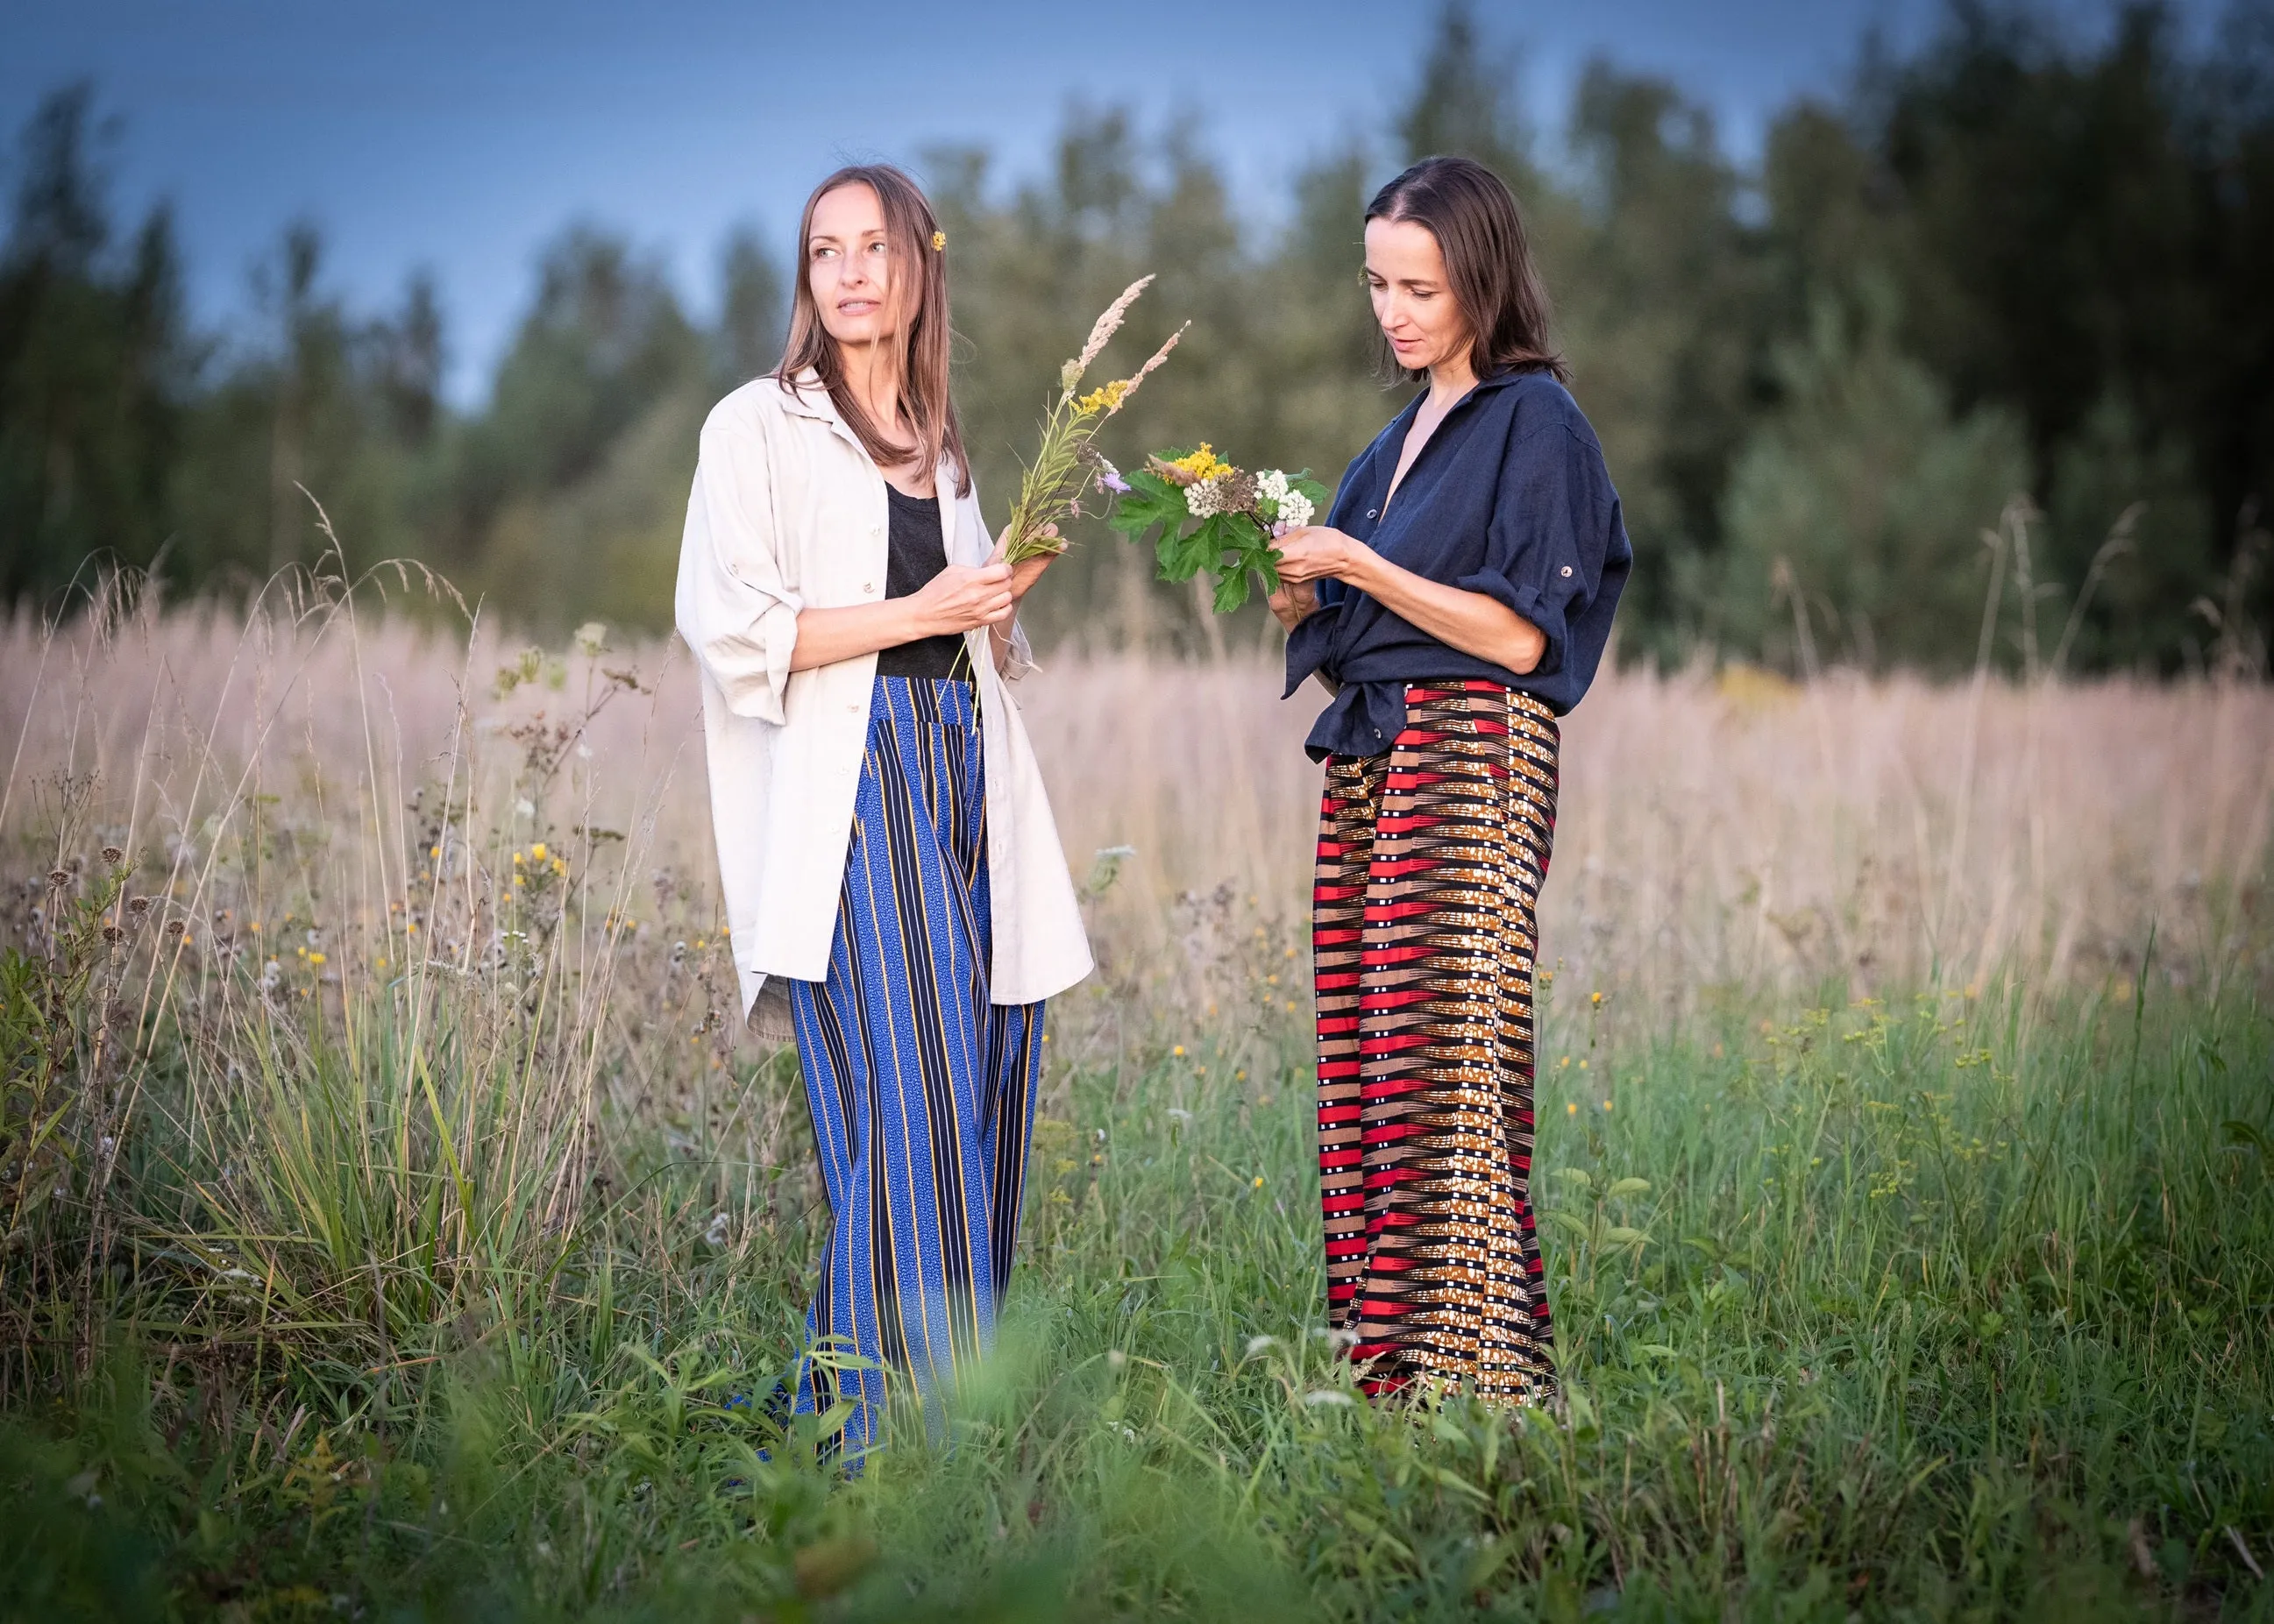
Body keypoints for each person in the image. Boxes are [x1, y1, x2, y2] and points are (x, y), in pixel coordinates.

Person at [675, 163, 1091, 1459]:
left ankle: (844, 1423)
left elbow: (970, 644)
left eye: (873, 247)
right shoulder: (757, 424)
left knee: (987, 1086)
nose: (849, 272)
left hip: (965, 768)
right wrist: (925, 613)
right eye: (823, 251)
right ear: (807, 279)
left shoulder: (942, 441)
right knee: (916, 1104)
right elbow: (730, 626)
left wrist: (999, 600)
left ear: (919, 266)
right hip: (852, 787)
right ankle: (887, 1452)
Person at [1268, 155, 1631, 1406]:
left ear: (1480, 277)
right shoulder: (1388, 447)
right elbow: (1353, 632)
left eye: (1418, 285)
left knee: (1445, 1069)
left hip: (1471, 753)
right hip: (1374, 755)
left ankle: (1489, 1394)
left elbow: (1524, 639)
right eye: (1375, 283)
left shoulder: (1536, 423)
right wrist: (1297, 586)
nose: (1393, 311)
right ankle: (1392, 1384)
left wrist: (1359, 569)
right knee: (1366, 1068)